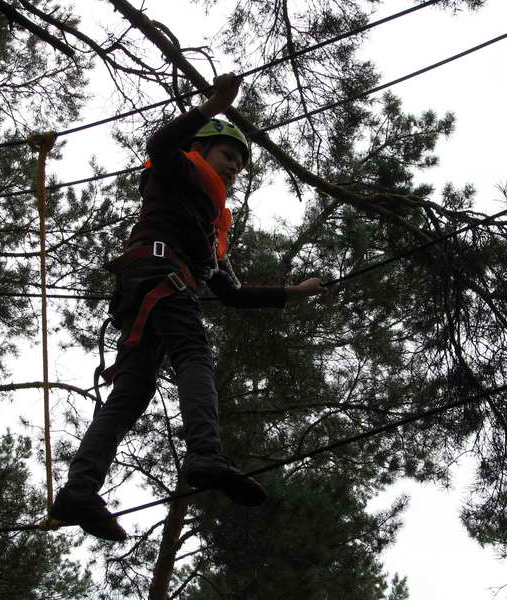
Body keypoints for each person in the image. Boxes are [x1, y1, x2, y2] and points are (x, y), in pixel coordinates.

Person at [50, 73, 326, 541]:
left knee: (130, 395)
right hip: (159, 278)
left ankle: (79, 490)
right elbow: (159, 143)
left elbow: (232, 294)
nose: (235, 166)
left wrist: (292, 292)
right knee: (193, 353)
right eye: (227, 154)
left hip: (150, 291)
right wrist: (211, 106)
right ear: (200, 149)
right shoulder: (176, 169)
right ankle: (205, 454)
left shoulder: (212, 228)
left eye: (240, 162)